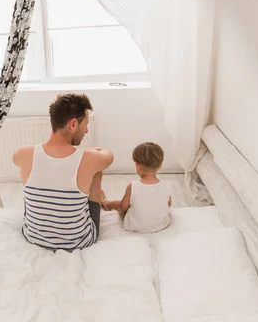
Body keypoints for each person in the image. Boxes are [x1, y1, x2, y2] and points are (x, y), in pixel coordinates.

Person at [12, 93, 114, 251]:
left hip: (34, 237)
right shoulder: (90, 158)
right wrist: (88, 154)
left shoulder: (25, 153)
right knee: (95, 171)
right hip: (79, 241)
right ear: (73, 124)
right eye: (85, 125)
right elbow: (108, 156)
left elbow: (15, 160)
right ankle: (91, 201)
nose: (86, 131)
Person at [101, 142, 172, 233]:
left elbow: (122, 209)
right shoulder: (167, 185)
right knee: (139, 202)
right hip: (161, 225)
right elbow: (168, 205)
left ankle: (105, 203)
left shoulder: (133, 186)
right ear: (160, 165)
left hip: (135, 226)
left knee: (122, 203)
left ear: (138, 166)